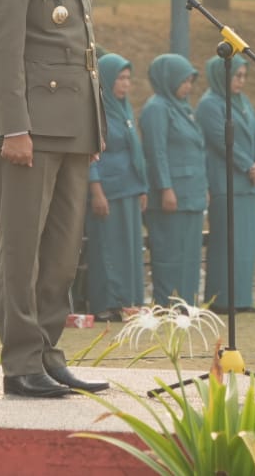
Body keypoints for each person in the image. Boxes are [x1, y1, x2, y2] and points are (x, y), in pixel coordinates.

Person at [0, 0, 108, 398]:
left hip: (72, 125)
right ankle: (21, 362)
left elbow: (82, 49)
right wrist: (14, 129)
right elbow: (2, 52)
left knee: (60, 254)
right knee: (22, 250)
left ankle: (49, 354)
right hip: (27, 127)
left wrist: (92, 127)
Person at [198, 54, 255, 313]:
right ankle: (222, 299)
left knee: (246, 245)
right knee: (226, 245)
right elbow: (222, 142)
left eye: (243, 76)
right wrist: (248, 165)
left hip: (248, 184)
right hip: (225, 184)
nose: (240, 81)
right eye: (236, 76)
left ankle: (242, 298)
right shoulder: (209, 105)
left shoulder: (243, 101)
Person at [85, 53, 149, 322]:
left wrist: (142, 186)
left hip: (129, 188)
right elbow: (89, 155)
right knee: (107, 247)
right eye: (120, 78)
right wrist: (96, 190)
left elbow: (136, 150)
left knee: (130, 248)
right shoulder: (95, 112)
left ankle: (128, 300)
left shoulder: (125, 109)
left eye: (128, 78)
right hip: (107, 191)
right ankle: (106, 303)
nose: (125, 84)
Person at [140, 53, 206, 307]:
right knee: (170, 252)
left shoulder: (183, 107)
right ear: (168, 79)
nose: (188, 87)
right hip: (171, 195)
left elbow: (196, 149)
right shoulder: (156, 108)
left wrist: (204, 186)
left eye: (190, 81)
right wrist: (166, 188)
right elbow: (156, 153)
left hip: (191, 194)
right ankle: (168, 304)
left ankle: (187, 304)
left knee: (190, 254)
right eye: (184, 81)